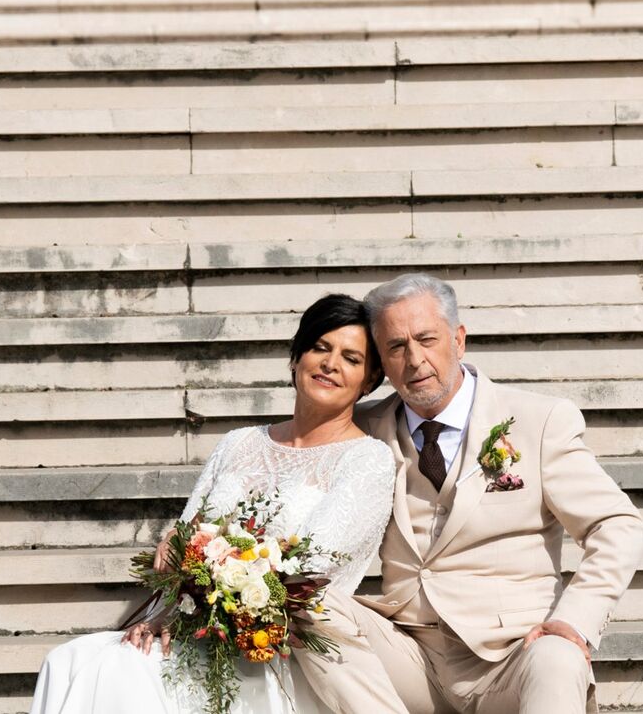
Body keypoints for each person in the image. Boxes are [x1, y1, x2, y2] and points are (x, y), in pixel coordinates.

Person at [295, 273, 643, 714]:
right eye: (396, 347)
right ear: (381, 364)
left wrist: (573, 621)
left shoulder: (538, 421)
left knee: (561, 657)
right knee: (303, 603)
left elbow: (618, 526)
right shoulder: (362, 429)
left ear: (459, 340)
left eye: (427, 339)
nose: (415, 359)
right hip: (407, 654)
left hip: (511, 656)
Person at [28, 293, 396, 714]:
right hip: (190, 626)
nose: (331, 364)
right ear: (296, 358)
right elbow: (185, 542)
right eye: (320, 348)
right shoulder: (239, 443)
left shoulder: (367, 460)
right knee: (70, 660)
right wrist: (165, 607)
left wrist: (206, 594)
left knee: (121, 673)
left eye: (351, 358)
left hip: (273, 646)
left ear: (369, 381)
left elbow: (307, 574)